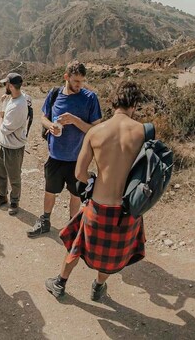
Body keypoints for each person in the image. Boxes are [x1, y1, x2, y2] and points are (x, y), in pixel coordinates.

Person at [45, 81, 148, 302]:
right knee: (112, 255)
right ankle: (98, 287)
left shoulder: (96, 132)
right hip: (127, 208)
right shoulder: (143, 132)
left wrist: (94, 180)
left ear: (113, 102)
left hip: (98, 205)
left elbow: (80, 173)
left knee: (77, 244)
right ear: (135, 105)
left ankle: (60, 283)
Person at [28, 60, 102, 237]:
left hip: (78, 158)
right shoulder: (54, 94)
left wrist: (75, 120)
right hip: (55, 156)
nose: (80, 85)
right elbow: (43, 118)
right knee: (49, 191)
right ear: (66, 77)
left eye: (82, 81)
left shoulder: (90, 98)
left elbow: (96, 130)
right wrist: (50, 126)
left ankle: (72, 226)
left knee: (76, 195)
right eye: (76, 81)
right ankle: (45, 221)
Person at [0, 72, 29, 216]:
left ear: (11, 86)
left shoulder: (18, 106)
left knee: (14, 176)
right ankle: (2, 196)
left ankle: (14, 201)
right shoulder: (16, 97)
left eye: (6, 84)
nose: (4, 86)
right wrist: (5, 101)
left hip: (13, 147)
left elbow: (5, 129)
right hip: (3, 144)